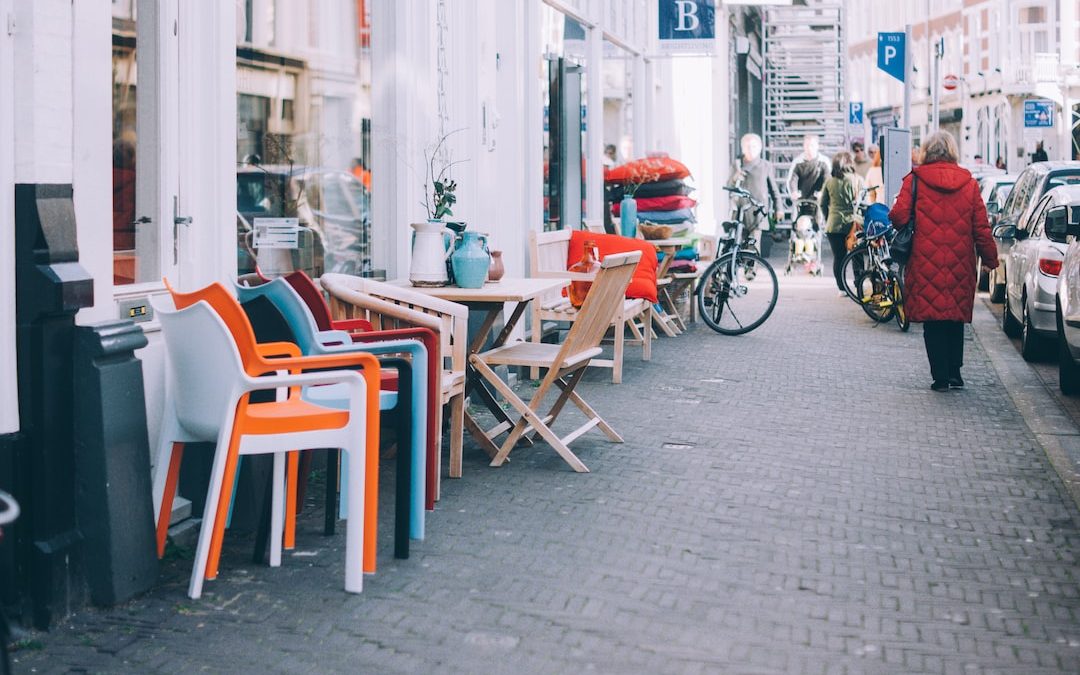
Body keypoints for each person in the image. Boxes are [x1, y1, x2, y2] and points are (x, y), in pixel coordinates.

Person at [888, 130, 998, 392]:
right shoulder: (969, 183)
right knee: (954, 317)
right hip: (960, 262)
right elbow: (981, 227)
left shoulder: (915, 180)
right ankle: (955, 373)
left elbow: (898, 217)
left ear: (927, 151)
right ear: (952, 151)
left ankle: (940, 377)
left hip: (925, 261)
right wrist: (991, 259)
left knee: (933, 318)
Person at [729, 133, 782, 255]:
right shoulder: (737, 165)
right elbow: (729, 185)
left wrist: (779, 209)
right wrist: (735, 177)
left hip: (758, 211)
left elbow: (774, 190)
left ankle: (751, 270)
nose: (750, 149)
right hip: (739, 210)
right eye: (747, 146)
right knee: (738, 241)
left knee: (754, 242)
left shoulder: (766, 166)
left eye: (753, 146)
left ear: (759, 148)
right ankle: (734, 268)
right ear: (742, 148)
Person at [820, 151, 864, 296]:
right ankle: (859, 284)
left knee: (839, 258)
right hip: (854, 224)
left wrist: (828, 218)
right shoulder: (858, 179)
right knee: (857, 256)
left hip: (834, 224)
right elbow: (863, 203)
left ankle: (841, 288)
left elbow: (822, 203)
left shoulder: (829, 181)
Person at [786, 134, 830, 202]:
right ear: (803, 146)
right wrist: (793, 192)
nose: (809, 148)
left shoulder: (824, 161)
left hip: (819, 201)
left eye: (812, 145)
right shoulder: (797, 162)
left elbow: (827, 180)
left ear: (817, 146)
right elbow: (792, 180)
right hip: (801, 201)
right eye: (807, 145)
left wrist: (823, 193)